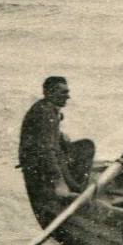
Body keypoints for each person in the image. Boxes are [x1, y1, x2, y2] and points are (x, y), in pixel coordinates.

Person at [17, 76, 94, 204]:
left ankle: (75, 187)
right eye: (63, 92)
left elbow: (46, 137)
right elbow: (47, 150)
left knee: (86, 145)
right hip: (39, 167)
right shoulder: (45, 113)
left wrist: (60, 136)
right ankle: (68, 190)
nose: (68, 97)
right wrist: (59, 183)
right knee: (86, 148)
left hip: (44, 160)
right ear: (50, 93)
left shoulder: (46, 108)